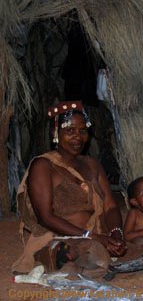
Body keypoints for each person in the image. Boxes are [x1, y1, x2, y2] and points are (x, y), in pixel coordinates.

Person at [12, 101, 126, 275]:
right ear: (55, 133)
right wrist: (92, 237)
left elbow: (110, 205)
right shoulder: (43, 166)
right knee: (78, 254)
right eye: (70, 131)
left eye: (82, 131)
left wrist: (116, 234)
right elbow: (45, 217)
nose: (77, 137)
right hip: (59, 239)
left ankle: (86, 261)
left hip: (97, 238)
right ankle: (73, 261)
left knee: (140, 246)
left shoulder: (92, 164)